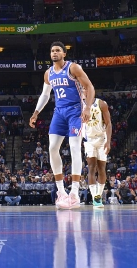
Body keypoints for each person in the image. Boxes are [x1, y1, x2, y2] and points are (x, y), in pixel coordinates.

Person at [29, 41, 95, 209]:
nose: (54, 53)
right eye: (52, 50)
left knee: (74, 147)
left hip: (75, 111)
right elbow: (45, 95)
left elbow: (89, 87)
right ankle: (61, 192)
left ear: (64, 53)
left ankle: (74, 192)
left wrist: (87, 108)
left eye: (58, 50)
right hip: (59, 112)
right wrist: (36, 112)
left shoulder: (73, 68)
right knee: (52, 148)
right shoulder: (48, 73)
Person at [83, 98, 112, 208]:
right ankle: (94, 196)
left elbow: (108, 123)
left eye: (87, 89)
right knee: (91, 168)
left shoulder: (101, 103)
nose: (84, 91)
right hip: (89, 140)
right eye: (83, 89)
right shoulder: (80, 104)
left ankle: (98, 196)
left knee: (101, 168)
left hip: (101, 139)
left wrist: (108, 142)